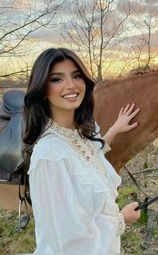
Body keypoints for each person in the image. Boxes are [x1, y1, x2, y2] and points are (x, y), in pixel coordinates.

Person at [23, 48, 141, 255]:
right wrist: (121, 220)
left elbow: (88, 156)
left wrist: (114, 129)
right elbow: (68, 242)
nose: (71, 85)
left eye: (76, 76)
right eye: (57, 79)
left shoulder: (81, 132)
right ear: (42, 89)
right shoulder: (50, 156)